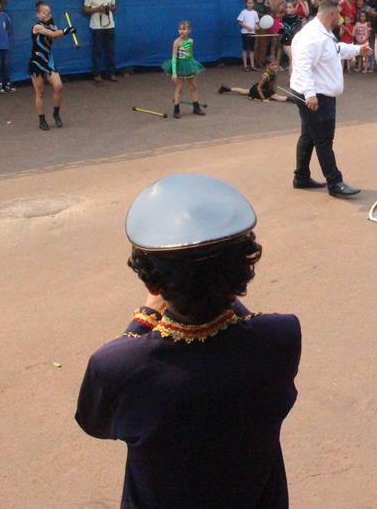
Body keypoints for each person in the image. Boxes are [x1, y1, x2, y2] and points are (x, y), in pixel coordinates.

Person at [75, 173, 301, 508]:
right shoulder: (281, 336)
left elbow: (95, 423)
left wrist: (144, 316)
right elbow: (241, 321)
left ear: (153, 283)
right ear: (242, 272)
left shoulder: (118, 366)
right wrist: (217, 286)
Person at [289, 0, 369, 197]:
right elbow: (303, 66)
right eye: (338, 15)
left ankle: (301, 177)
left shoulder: (323, 34)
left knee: (309, 137)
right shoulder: (312, 36)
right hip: (315, 96)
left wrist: (357, 50)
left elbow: (336, 50)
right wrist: (310, 94)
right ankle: (335, 182)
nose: (340, 19)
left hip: (323, 95)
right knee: (323, 140)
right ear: (332, 15)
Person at [29, 1, 76, 130]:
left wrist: (58, 30)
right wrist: (66, 30)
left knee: (59, 86)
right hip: (37, 62)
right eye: (44, 12)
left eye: (48, 12)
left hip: (49, 61)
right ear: (37, 14)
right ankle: (42, 119)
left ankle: (56, 113)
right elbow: (53, 34)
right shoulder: (37, 27)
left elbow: (54, 38)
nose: (47, 14)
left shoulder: (51, 25)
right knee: (40, 92)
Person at [162, 20, 206, 118]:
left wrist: (192, 64)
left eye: (184, 29)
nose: (182, 31)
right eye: (180, 29)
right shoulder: (176, 42)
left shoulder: (190, 41)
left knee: (194, 86)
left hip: (189, 64)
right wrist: (174, 72)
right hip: (179, 66)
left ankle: (196, 107)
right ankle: (176, 109)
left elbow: (189, 54)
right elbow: (174, 57)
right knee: (179, 88)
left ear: (189, 30)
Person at [82, 0, 118, 83]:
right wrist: (97, 9)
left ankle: (111, 73)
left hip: (110, 24)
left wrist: (109, 8)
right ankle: (97, 74)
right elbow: (85, 10)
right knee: (97, 50)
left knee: (110, 50)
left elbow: (114, 7)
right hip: (97, 26)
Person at [218, 60, 294, 102]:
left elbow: (273, 83)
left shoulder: (274, 72)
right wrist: (263, 99)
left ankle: (227, 89)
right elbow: (258, 88)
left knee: (245, 91)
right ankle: (294, 100)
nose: (275, 66)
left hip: (266, 88)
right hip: (259, 90)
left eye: (275, 65)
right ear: (268, 66)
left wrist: (272, 89)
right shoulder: (265, 75)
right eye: (272, 65)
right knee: (276, 97)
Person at [237, 0, 260, 72]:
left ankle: (252, 66)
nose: (250, 4)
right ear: (246, 4)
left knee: (252, 50)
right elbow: (240, 22)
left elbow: (256, 23)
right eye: (248, 3)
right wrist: (247, 27)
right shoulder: (243, 12)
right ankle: (245, 66)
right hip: (245, 33)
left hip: (252, 33)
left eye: (251, 3)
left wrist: (257, 27)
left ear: (253, 4)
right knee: (245, 49)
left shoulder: (255, 13)